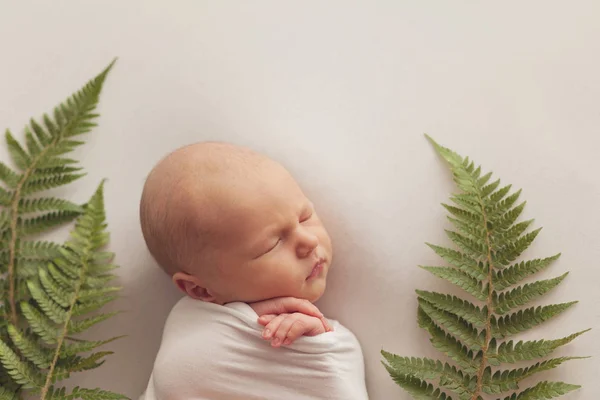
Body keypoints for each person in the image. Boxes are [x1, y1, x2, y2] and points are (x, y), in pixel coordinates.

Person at [139, 142, 368, 399]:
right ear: (200, 289)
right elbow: (178, 376)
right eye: (272, 244)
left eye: (304, 217)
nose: (309, 242)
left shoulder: (302, 328)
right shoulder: (190, 330)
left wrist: (320, 342)